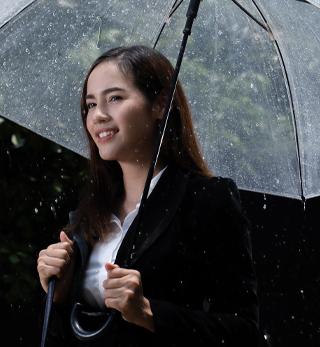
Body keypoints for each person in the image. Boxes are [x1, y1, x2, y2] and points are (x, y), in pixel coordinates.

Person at [36, 46, 259, 346]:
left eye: (114, 98)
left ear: (161, 105)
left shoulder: (207, 199)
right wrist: (58, 297)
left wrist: (148, 312)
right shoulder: (89, 212)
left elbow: (243, 332)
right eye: (90, 105)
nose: (98, 116)